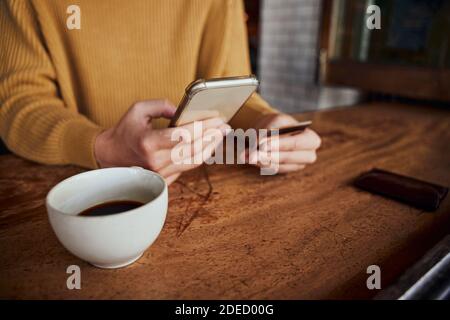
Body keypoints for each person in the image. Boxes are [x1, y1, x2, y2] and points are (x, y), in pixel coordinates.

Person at [0, 0, 321, 185]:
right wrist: (101, 146)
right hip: (80, 188)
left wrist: (265, 123)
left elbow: (232, 88)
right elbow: (20, 100)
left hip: (200, 182)